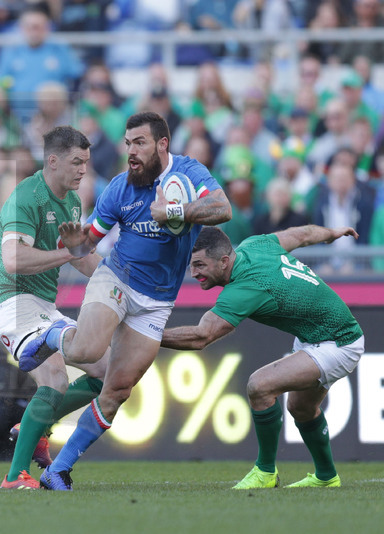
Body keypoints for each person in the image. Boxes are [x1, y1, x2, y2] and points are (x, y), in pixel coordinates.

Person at [19, 111, 232, 490]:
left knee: (116, 392)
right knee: (86, 350)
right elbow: (90, 242)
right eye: (128, 143)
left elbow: (223, 209)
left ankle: (59, 470)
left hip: (156, 303)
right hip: (116, 278)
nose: (131, 151)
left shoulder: (190, 174)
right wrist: (73, 245)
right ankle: (51, 336)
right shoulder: (120, 187)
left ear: (162, 144)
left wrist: (174, 212)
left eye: (140, 143)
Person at [161, 225, 365, 489]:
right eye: (191, 265)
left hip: (339, 342)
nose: (194, 273)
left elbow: (202, 336)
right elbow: (301, 236)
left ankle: (265, 472)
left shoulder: (246, 285)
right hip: (317, 335)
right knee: (300, 408)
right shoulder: (255, 245)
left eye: (200, 265)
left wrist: (146, 335)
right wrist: (332, 233)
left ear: (224, 261)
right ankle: (326, 477)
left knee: (260, 386)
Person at [0, 125, 107, 490]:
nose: (83, 169)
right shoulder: (27, 197)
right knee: (55, 377)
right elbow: (12, 260)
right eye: (76, 162)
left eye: (86, 162)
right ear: (52, 161)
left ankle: (37, 427)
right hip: (12, 303)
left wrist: (118, 284)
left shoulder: (71, 201)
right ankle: (14, 478)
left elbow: (80, 259)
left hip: (41, 307)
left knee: (106, 369)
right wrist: (69, 252)